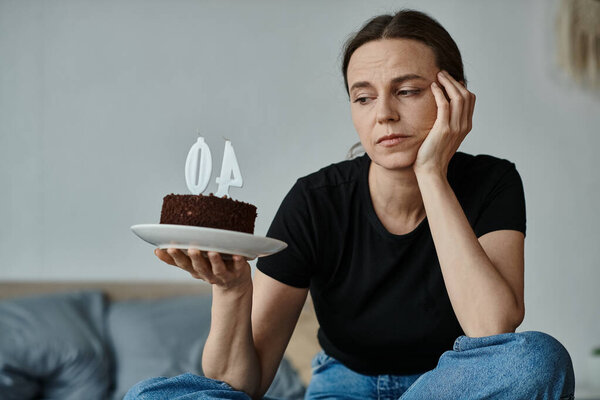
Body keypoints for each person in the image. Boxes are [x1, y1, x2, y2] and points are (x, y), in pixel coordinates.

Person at [126, 9, 575, 400]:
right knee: (151, 395)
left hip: (448, 386)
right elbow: (243, 385)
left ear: (454, 96)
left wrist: (431, 174)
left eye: (408, 91)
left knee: (537, 359)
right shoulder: (316, 201)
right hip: (342, 387)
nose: (383, 114)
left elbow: (492, 328)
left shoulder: (492, 181)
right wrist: (231, 290)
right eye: (363, 97)